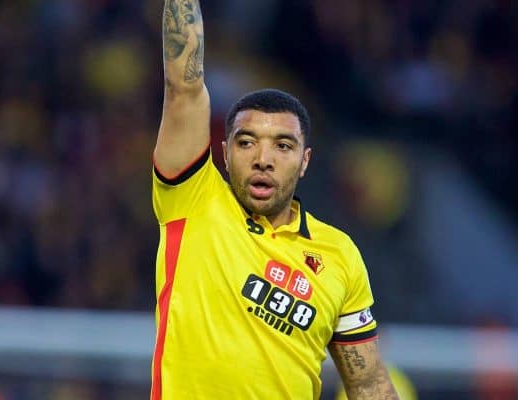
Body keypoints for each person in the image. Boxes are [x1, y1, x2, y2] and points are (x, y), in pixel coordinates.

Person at [151, 1, 399, 399]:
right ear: (225, 152)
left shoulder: (340, 255)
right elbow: (184, 88)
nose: (263, 159)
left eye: (283, 146)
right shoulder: (194, 199)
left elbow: (368, 384)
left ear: (304, 162)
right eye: (247, 142)